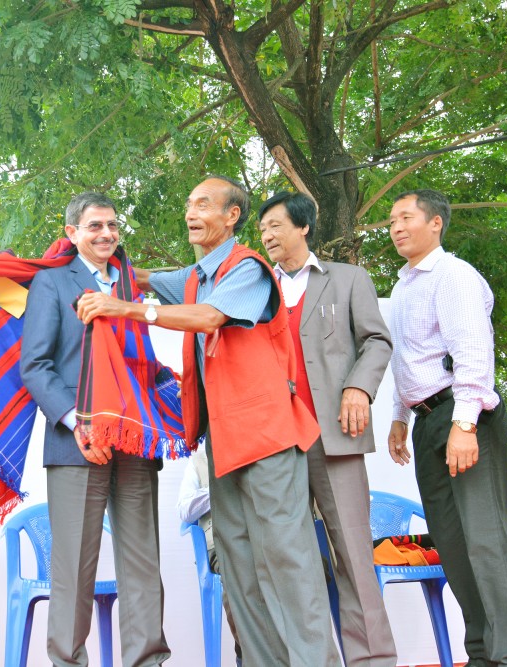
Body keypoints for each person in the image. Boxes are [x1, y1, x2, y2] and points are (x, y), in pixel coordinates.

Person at [76, 176, 339, 667]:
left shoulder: (249, 269)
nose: (190, 213)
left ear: (232, 216)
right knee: (239, 567)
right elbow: (147, 277)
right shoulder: (196, 274)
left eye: (202, 204)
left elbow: (207, 318)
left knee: (288, 559)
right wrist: (95, 253)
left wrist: (123, 307)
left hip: (266, 436)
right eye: (188, 204)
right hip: (221, 441)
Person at [385, 189, 507, 667]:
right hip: (426, 420)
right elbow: (408, 358)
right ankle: (482, 654)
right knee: (451, 545)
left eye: (406, 217)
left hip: (463, 414)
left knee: (485, 537)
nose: (396, 227)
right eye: (392, 220)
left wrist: (465, 424)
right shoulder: (404, 285)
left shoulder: (452, 275)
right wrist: (399, 416)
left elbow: (473, 351)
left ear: (436, 222)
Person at [20, 191, 170, 667]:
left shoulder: (130, 285)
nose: (105, 234)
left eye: (111, 225)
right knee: (74, 569)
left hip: (134, 438)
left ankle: (148, 660)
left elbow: (141, 359)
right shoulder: (51, 284)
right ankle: (67, 661)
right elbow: (36, 366)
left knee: (144, 562)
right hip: (76, 444)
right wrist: (77, 422)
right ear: (72, 234)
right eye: (93, 227)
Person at [258, 191, 396, 667]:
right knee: (291, 561)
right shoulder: (257, 288)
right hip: (275, 441)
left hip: (333, 433)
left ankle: (373, 660)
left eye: (276, 226)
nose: (268, 236)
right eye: (262, 231)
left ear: (303, 227)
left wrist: (358, 389)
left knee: (353, 556)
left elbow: (377, 341)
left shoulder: (348, 278)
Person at [175, 447, 242, 666]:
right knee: (236, 571)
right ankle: (248, 652)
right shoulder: (198, 459)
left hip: (258, 537)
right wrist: (218, 488)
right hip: (220, 543)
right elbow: (185, 509)